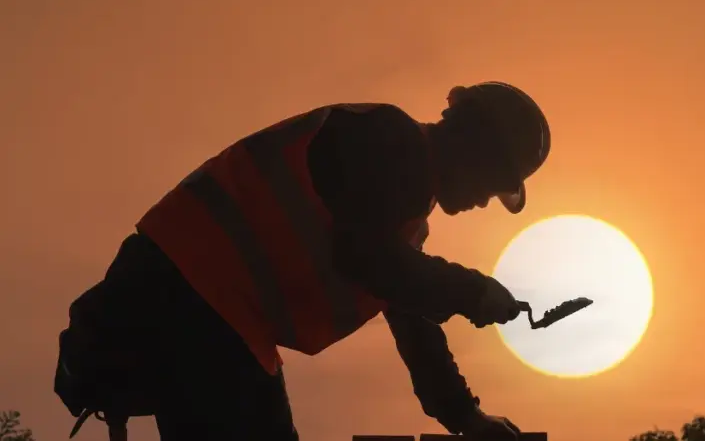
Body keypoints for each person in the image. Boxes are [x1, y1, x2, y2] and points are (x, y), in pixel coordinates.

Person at [54, 81, 551, 441]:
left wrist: (466, 418)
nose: (485, 200)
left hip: (208, 305)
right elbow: (371, 262)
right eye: (494, 181)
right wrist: (472, 290)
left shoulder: (399, 199)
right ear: (475, 147)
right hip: (193, 296)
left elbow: (410, 314)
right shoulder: (389, 143)